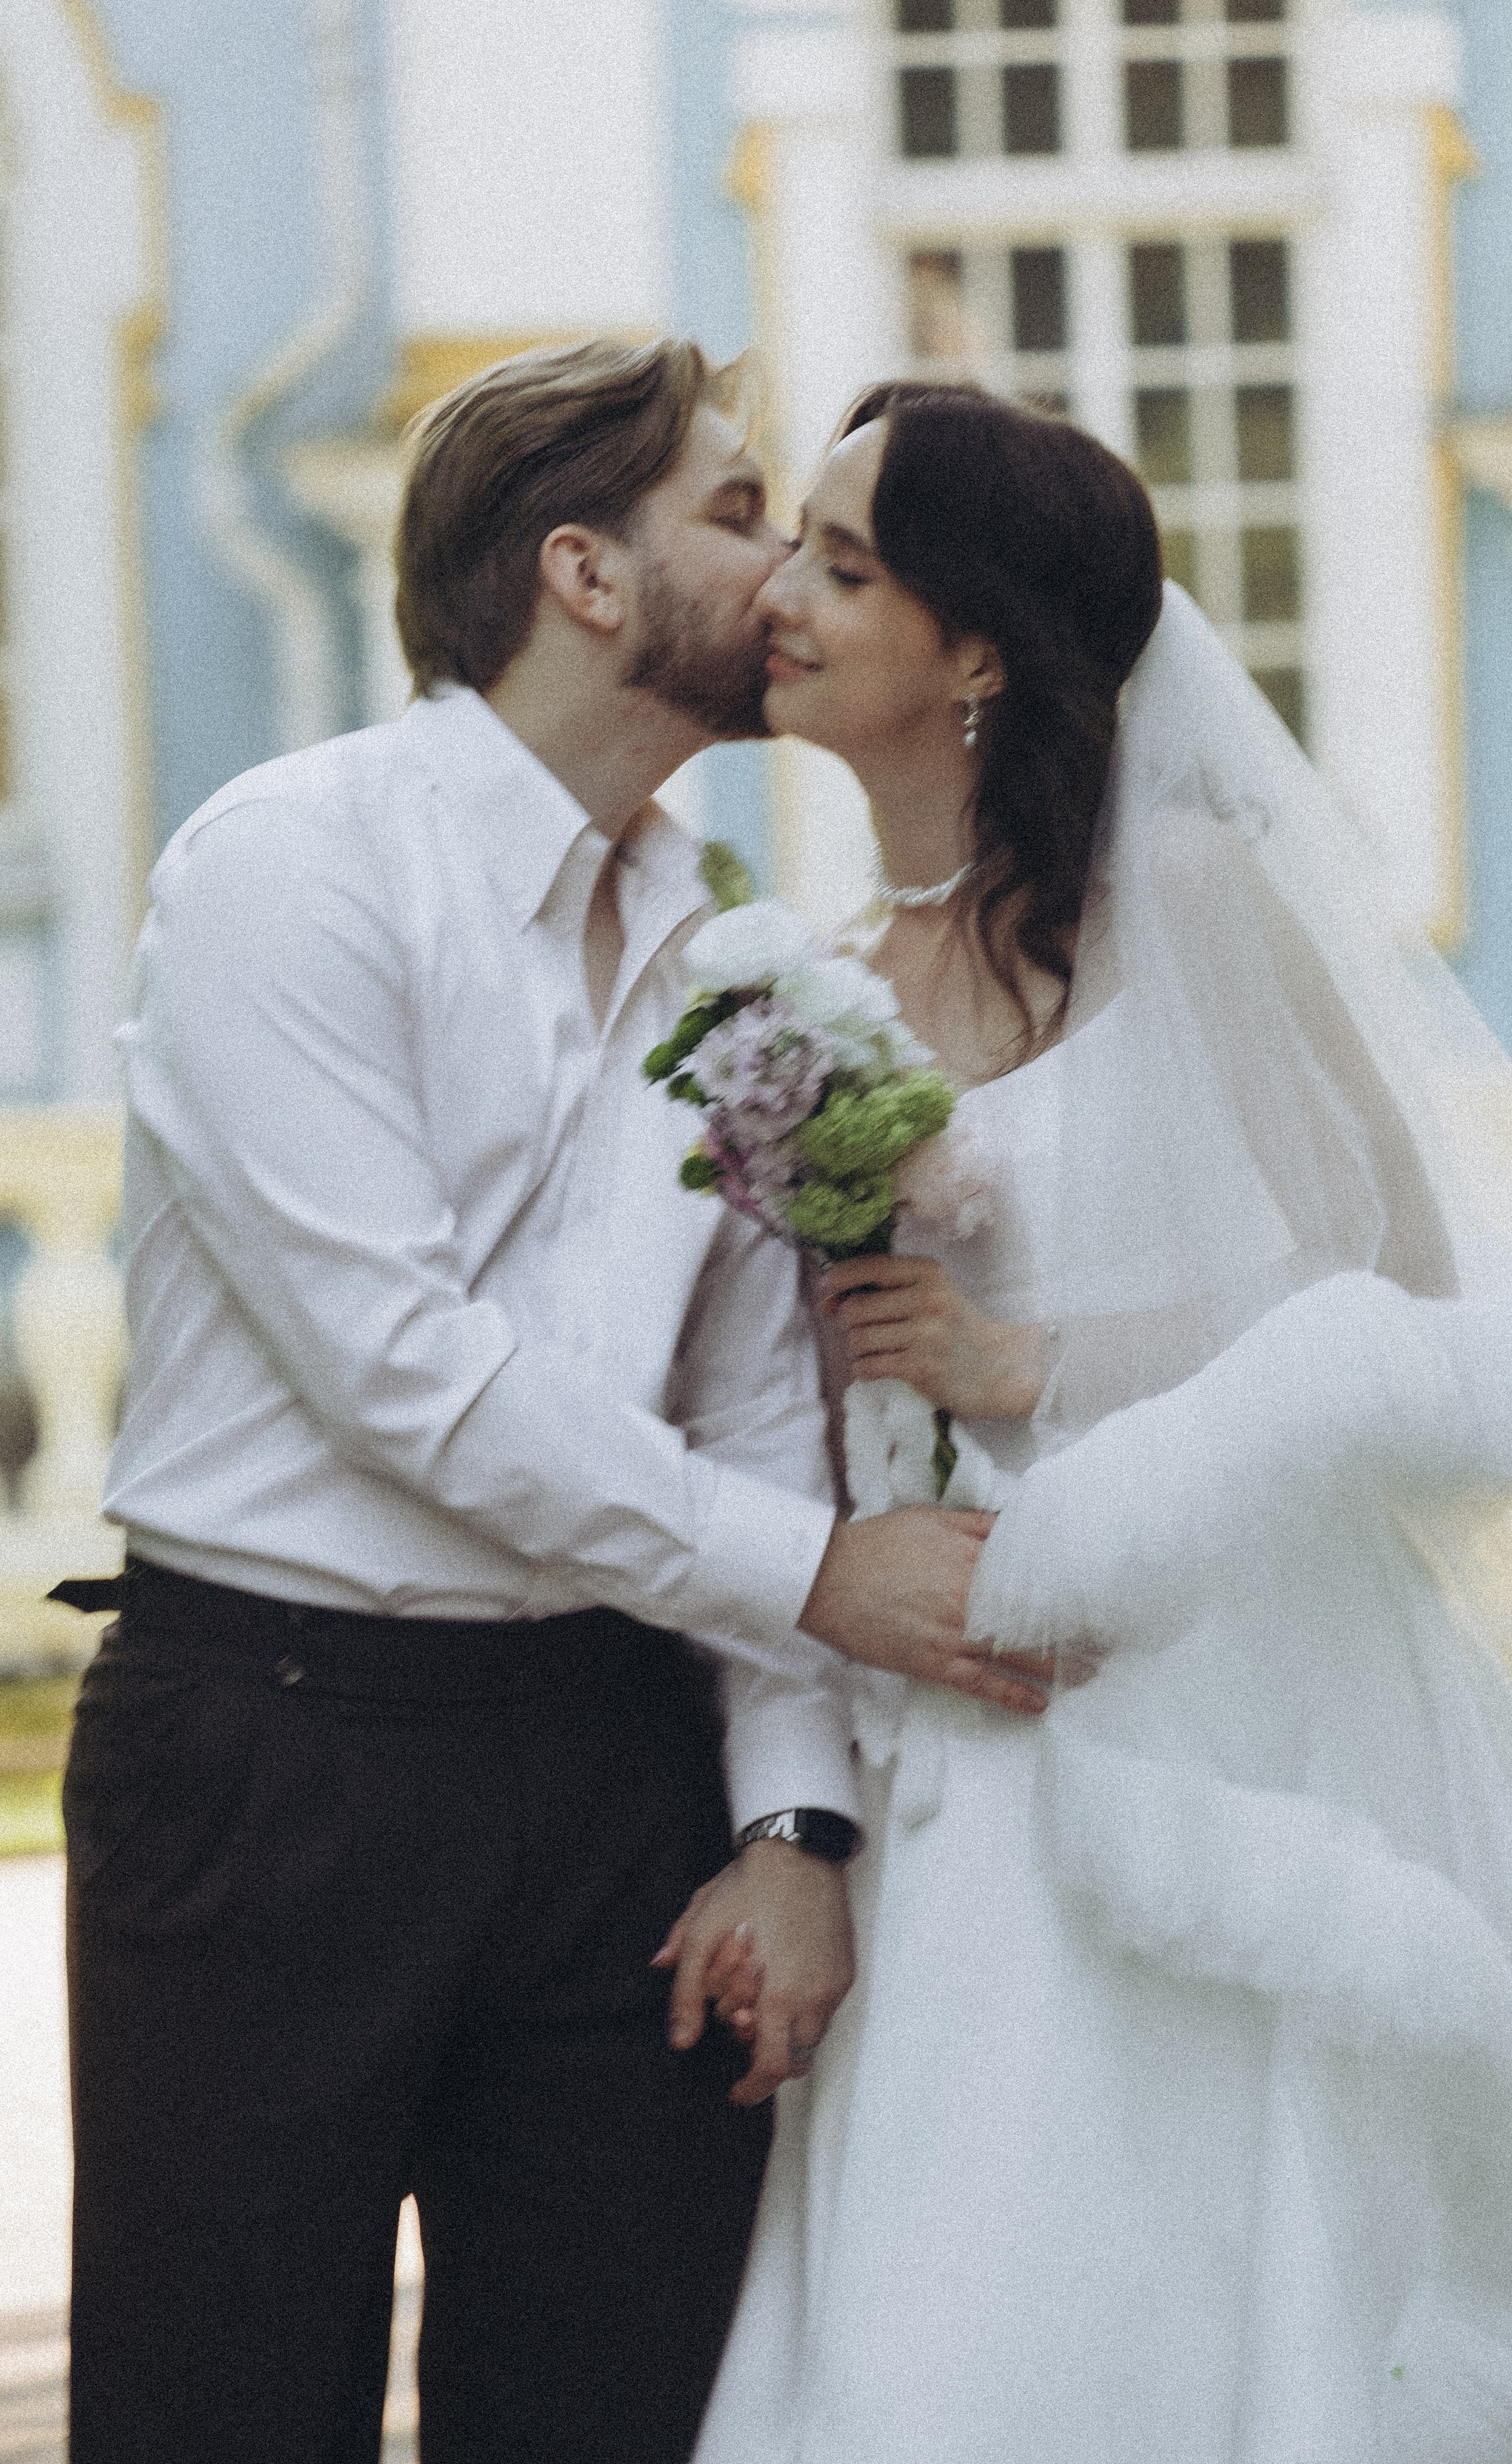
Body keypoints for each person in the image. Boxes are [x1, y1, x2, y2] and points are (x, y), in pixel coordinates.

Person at [57, 341, 1045, 2464]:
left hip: (622, 1777)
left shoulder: (732, 949)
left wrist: (792, 1822)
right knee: (218, 2411)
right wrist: (830, 1583)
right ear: (583, 574)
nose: (785, 565)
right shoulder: (288, 868)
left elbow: (755, 1394)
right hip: (275, 1757)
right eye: (737, 510)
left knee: (608, 2412)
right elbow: (408, 1373)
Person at [693, 383, 1512, 2462]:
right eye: (790, 545)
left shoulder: (1196, 897)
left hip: (1187, 1699)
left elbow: (1391, 1280)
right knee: (930, 2316)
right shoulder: (801, 990)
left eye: (844, 565)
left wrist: (1025, 1361)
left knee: (1185, 2282)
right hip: (937, 1724)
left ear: (977, 650)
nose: (779, 595)